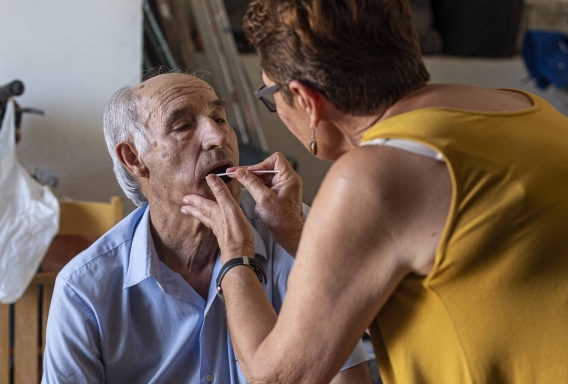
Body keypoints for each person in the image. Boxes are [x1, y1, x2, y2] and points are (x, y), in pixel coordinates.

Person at [179, 0, 568, 384]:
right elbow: (416, 274)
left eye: (270, 96)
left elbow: (278, 374)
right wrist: (294, 233)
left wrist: (235, 252)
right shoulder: (522, 109)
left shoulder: (375, 175)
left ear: (304, 98)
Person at [41, 71, 371, 384]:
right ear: (134, 159)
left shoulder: (292, 232)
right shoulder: (84, 289)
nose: (218, 137)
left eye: (219, 119)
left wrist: (300, 241)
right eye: (183, 125)